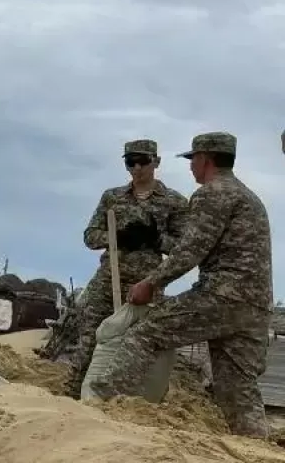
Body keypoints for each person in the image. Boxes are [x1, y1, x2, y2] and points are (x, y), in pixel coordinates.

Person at [87, 132, 274, 439]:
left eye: (193, 160)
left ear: (206, 159)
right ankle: (254, 450)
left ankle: (103, 406)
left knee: (145, 333)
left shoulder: (212, 193)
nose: (191, 167)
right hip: (255, 307)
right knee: (239, 388)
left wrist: (151, 282)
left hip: (222, 296)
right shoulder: (249, 198)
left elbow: (191, 250)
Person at [66, 139, 188, 396]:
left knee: (138, 342)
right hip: (109, 277)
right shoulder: (112, 197)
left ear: (156, 161)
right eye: (130, 162)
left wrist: (156, 240)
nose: (137, 167)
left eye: (143, 161)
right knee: (90, 336)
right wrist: (117, 237)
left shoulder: (173, 202)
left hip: (146, 283)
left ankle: (126, 400)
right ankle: (73, 394)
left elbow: (184, 247)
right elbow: (90, 236)